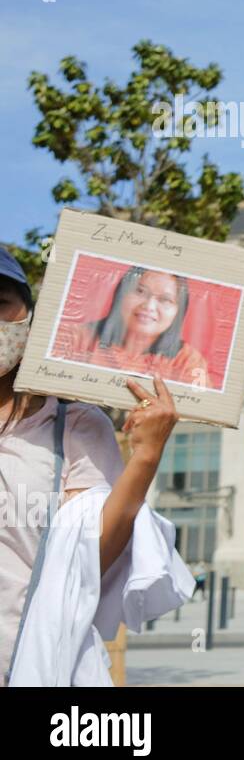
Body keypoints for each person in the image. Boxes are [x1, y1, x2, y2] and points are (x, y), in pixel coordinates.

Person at [0, 249, 190, 684]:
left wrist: (146, 456)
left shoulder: (73, 426)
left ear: (29, 317)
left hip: (32, 666)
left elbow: (92, 556)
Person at [52, 266, 210, 387]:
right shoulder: (73, 337)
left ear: (179, 312)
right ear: (121, 294)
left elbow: (200, 407)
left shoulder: (187, 361)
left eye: (165, 300)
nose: (149, 306)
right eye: (140, 291)